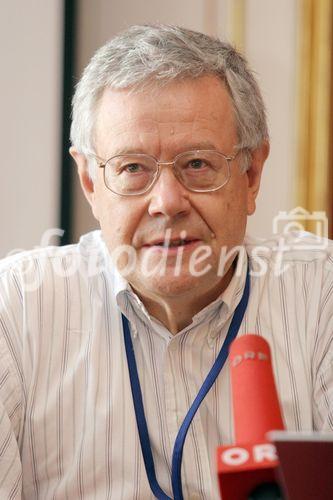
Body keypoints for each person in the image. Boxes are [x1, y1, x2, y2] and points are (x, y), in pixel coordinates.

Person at [0, 24, 332, 500]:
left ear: (251, 173)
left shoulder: (322, 294)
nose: (167, 202)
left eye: (197, 163)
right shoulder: (15, 311)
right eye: (132, 168)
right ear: (91, 183)